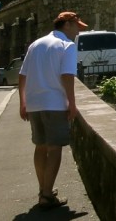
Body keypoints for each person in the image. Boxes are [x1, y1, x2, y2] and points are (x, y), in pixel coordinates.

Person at [18, 11, 88, 209]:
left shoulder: (36, 44)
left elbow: (22, 76)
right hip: (54, 104)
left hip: (34, 104)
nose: (78, 32)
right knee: (55, 148)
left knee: (40, 147)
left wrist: (22, 102)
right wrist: (72, 104)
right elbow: (67, 75)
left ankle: (43, 191)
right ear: (66, 25)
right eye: (76, 27)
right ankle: (47, 196)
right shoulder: (67, 45)